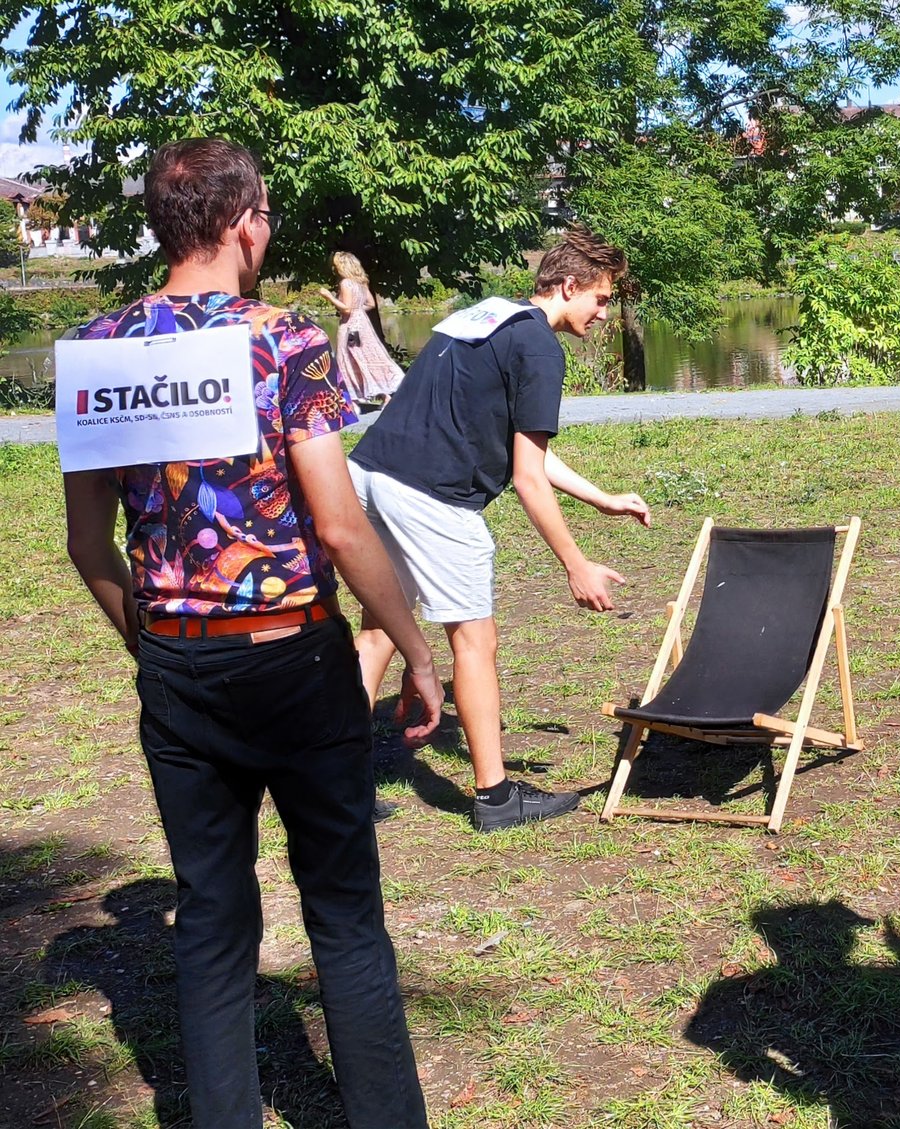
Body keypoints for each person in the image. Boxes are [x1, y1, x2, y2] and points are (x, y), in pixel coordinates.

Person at [61, 137, 445, 1129]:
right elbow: (339, 526)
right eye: (265, 213)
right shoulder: (285, 341)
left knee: (211, 920)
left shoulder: (97, 351)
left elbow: (87, 543)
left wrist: (153, 645)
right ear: (241, 225)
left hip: (176, 666)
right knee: (345, 917)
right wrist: (414, 647)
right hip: (294, 657)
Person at [346, 227, 652, 832]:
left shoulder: (485, 316)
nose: (602, 313)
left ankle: (336, 787)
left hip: (368, 477)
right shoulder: (540, 348)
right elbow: (528, 479)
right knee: (474, 640)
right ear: (569, 285)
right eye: (600, 298)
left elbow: (525, 454)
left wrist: (602, 500)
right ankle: (495, 798)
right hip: (431, 496)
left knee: (379, 629)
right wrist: (576, 565)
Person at [318, 250, 404, 403]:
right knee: (366, 355)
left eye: (335, 266)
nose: (334, 269)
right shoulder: (361, 282)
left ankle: (353, 397)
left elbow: (346, 309)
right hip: (363, 325)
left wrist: (329, 296)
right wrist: (358, 310)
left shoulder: (346, 283)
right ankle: (383, 394)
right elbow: (370, 304)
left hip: (350, 327)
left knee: (347, 357)